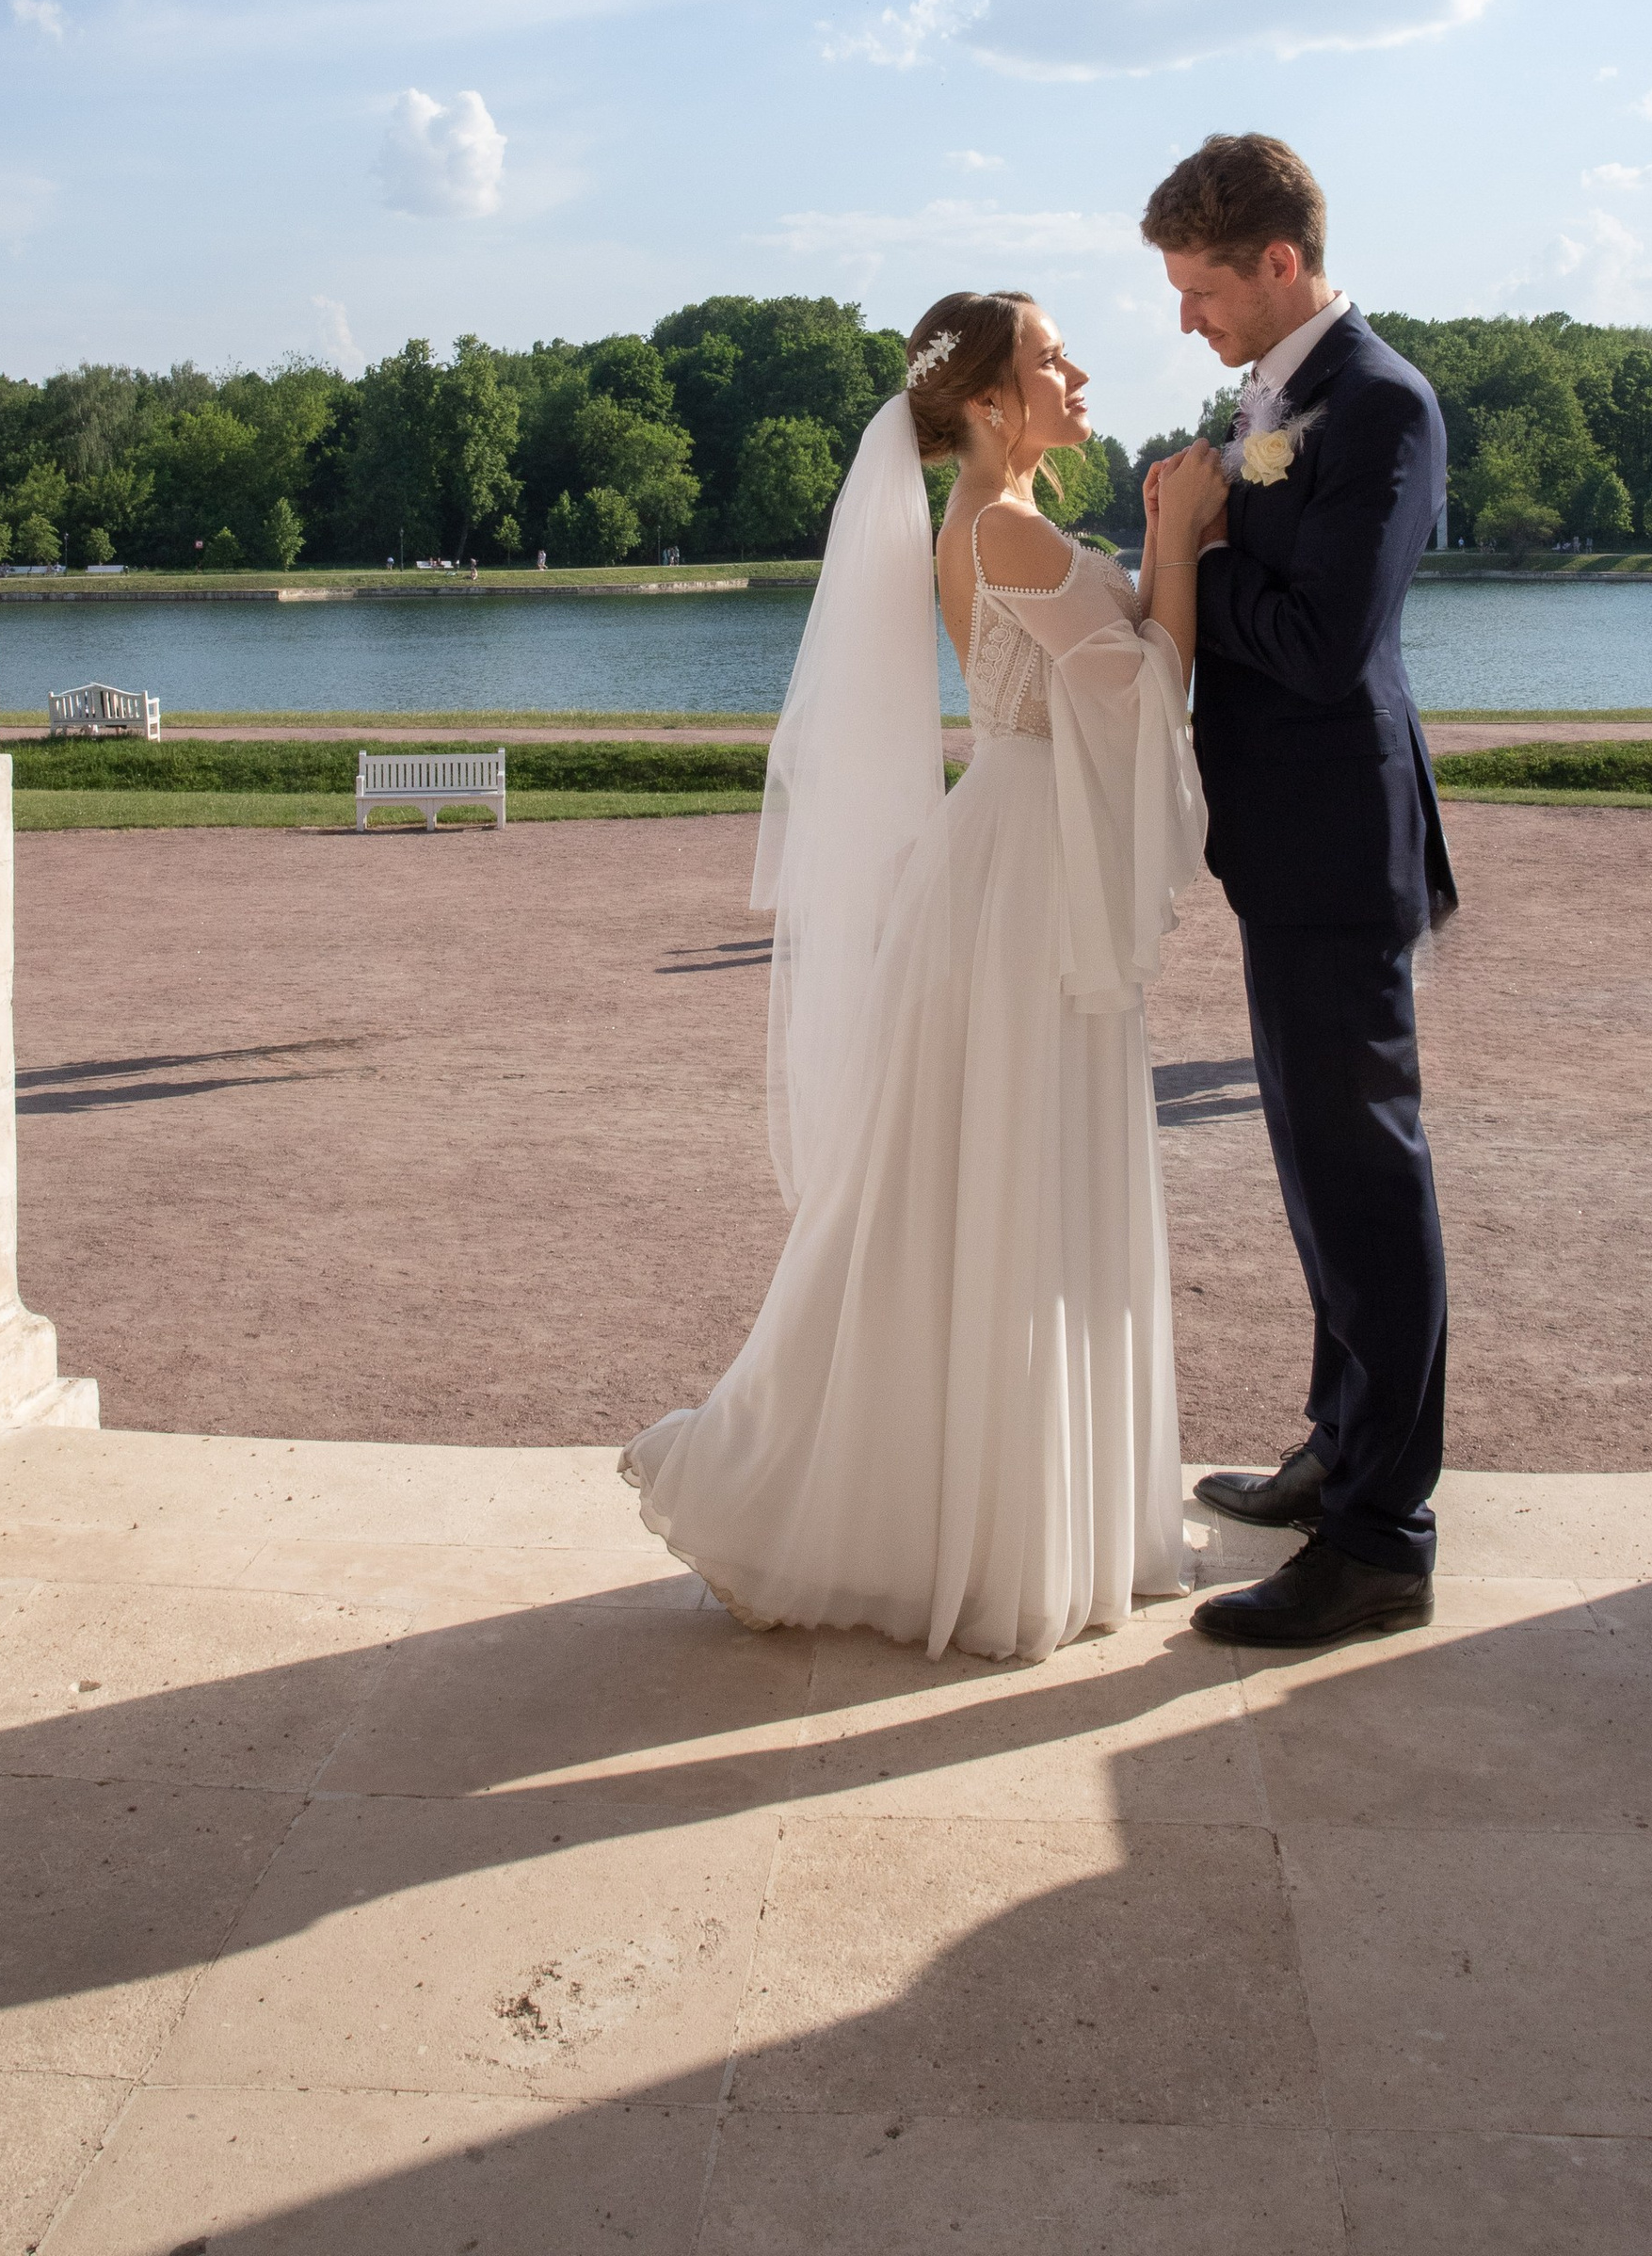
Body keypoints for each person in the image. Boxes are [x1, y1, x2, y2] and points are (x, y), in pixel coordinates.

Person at [624, 292, 1214, 1661]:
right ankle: (970, 1527)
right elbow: (1148, 695)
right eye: (1050, 358)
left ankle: (974, 1512)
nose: (1075, 370)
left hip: (1009, 857)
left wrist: (1163, 547)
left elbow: (1115, 675)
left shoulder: (993, 523)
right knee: (1006, 1166)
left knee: (979, 1172)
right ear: (994, 404)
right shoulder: (1002, 527)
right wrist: (1180, 541)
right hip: (1020, 878)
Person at [1141, 133, 1456, 1652]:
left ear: (1279, 263)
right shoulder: (1275, 402)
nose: (1187, 318)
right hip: (1288, 848)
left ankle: (1383, 1539)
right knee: (1316, 1173)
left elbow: (1328, 645)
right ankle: (1339, 1442)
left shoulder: (1384, 405)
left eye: (1202, 290)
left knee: (1366, 1183)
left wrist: (1197, 549)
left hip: (1340, 845)